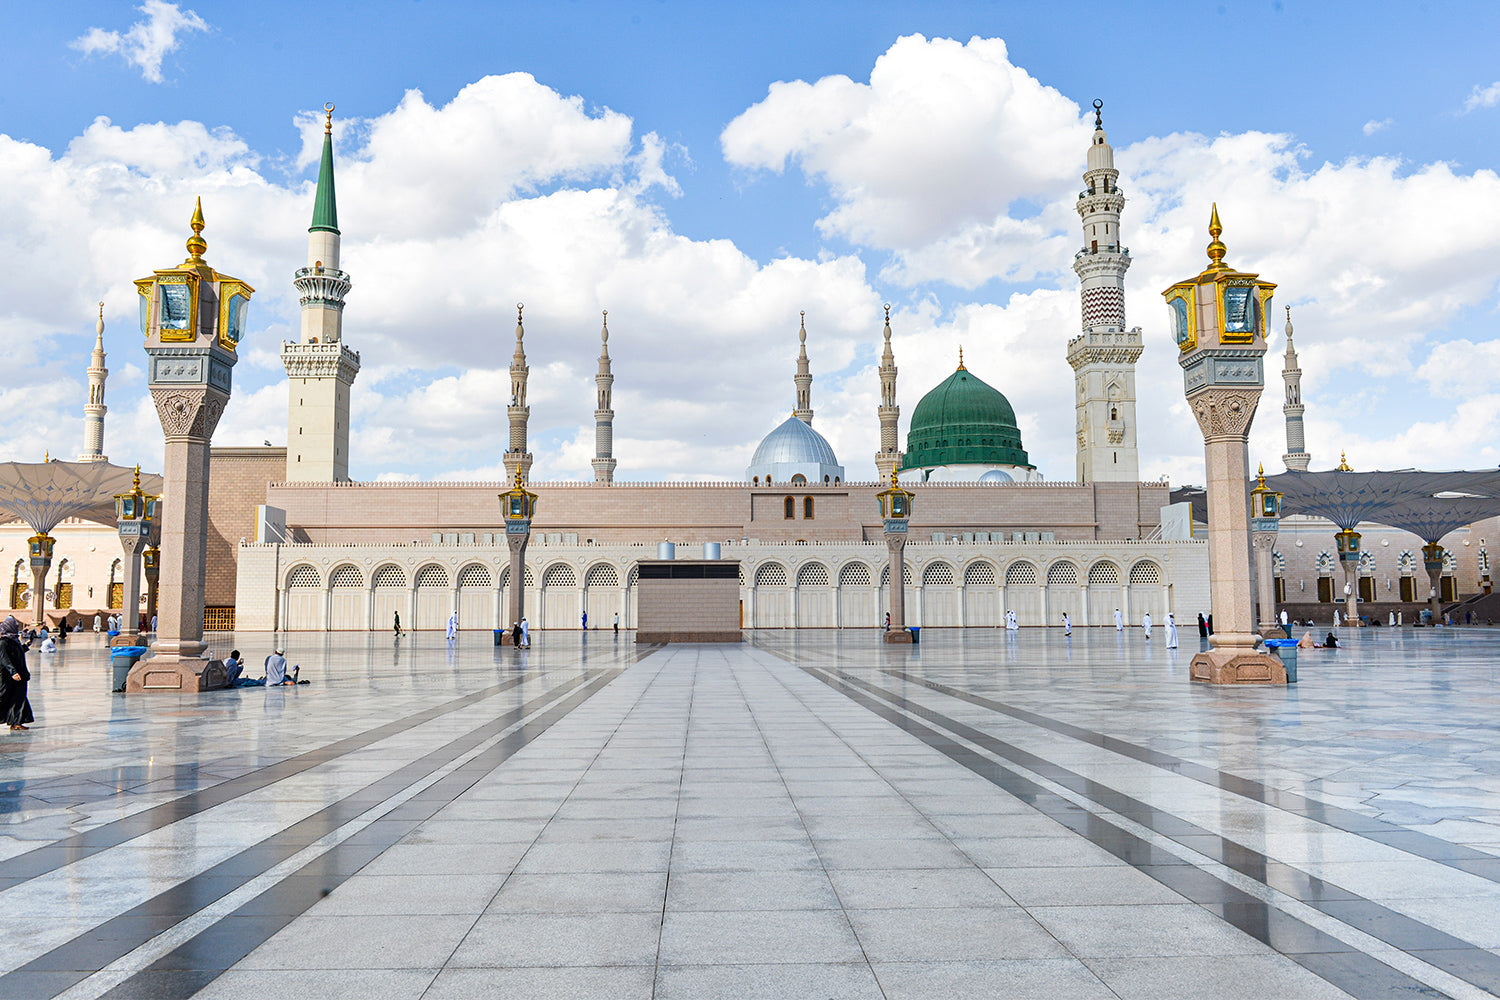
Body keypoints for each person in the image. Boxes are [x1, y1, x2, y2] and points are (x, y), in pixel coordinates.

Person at [0, 616, 33, 732]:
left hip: (19, 675)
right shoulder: (3, 642)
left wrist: (26, 645)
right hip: (7, 677)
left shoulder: (14, 640)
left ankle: (16, 722)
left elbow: (16, 654)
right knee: (3, 697)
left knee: (18, 698)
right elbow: (5, 659)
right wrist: (13, 672)